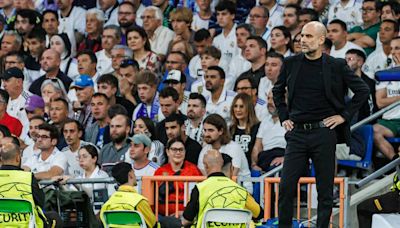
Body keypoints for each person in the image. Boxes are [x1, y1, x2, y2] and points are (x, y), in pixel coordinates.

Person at [272, 21, 369, 228]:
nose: (302, 40)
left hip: (324, 133)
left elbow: (363, 91)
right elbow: (277, 92)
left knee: (325, 192)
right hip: (297, 133)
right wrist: (284, 117)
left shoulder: (336, 65)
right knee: (286, 187)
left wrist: (343, 116)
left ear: (321, 39)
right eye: (302, 36)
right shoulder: (290, 63)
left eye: (308, 36)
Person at [181, 149, 263, 227]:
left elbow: (186, 220)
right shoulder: (241, 191)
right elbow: (259, 214)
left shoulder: (200, 188)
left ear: (205, 166)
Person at [0, 142, 53, 227]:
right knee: (54, 217)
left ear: (1, 159)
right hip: (27, 225)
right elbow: (40, 202)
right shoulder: (28, 177)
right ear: (18, 158)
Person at [198, 114, 252, 193]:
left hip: (240, 190)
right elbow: (205, 176)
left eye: (210, 130)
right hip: (216, 191)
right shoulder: (204, 150)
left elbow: (231, 175)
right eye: (205, 130)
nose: (206, 134)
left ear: (221, 131)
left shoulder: (234, 148)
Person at [100, 162, 158, 228]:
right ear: (130, 174)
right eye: (134, 172)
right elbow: (153, 224)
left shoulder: (108, 204)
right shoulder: (139, 201)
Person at [154, 138, 202, 216]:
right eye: (174, 149)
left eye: (181, 149)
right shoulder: (160, 171)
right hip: (162, 216)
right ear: (167, 152)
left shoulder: (193, 170)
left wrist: (186, 214)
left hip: (187, 217)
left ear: (185, 152)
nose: (178, 152)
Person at [252, 91, 286, 172]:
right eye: (268, 98)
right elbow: (257, 147)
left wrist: (285, 158)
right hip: (266, 156)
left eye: (273, 99)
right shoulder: (265, 121)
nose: (269, 102)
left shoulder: (291, 120)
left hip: (284, 155)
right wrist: (254, 164)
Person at [230, 93, 260, 167]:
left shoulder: (258, 127)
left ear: (249, 108)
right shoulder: (230, 129)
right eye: (235, 106)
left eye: (241, 106)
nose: (238, 110)